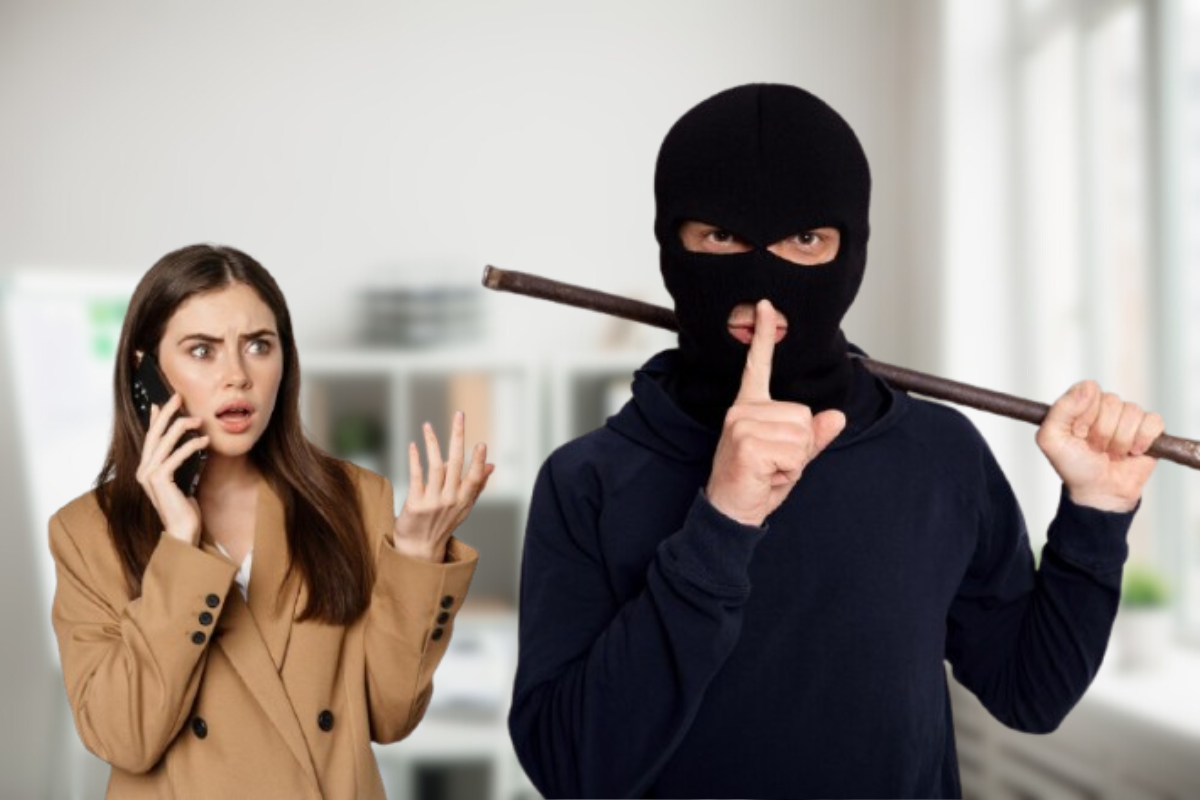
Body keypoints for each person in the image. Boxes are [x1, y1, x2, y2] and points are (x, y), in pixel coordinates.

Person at [507, 84, 1165, 799]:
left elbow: (1030, 694)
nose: (762, 286)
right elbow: (569, 770)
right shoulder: (587, 481)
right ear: (672, 242)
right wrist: (721, 524)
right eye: (722, 237)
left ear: (852, 248)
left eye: (805, 240)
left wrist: (1095, 516)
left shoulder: (939, 454)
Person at [49, 244, 494, 799]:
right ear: (147, 374)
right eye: (202, 351)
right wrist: (180, 544)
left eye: (259, 345)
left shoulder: (353, 499)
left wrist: (419, 555)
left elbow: (390, 717)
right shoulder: (88, 531)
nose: (237, 376)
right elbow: (124, 737)